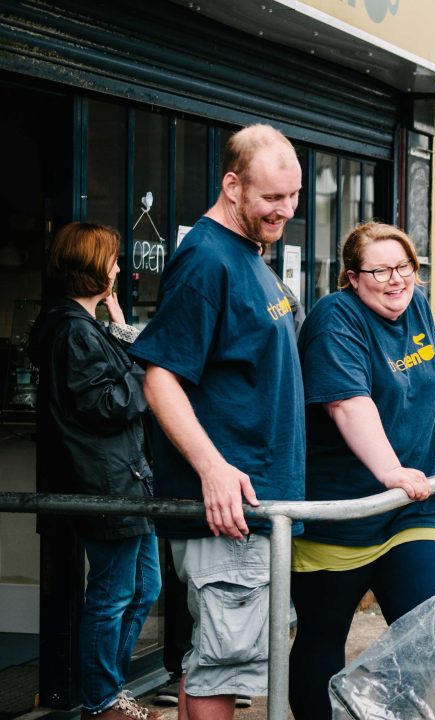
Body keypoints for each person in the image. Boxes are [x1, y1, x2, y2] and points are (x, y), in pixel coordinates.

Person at [129, 124, 306, 719]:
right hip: (230, 515)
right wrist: (213, 469)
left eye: (293, 196)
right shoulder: (207, 260)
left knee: (214, 667)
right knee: (221, 674)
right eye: (270, 199)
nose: (284, 211)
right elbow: (160, 376)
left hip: (259, 509)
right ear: (232, 185)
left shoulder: (249, 255)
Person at [288, 221, 435, 720]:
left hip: (409, 510)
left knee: (430, 635)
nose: (396, 280)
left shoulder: (416, 304)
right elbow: (347, 405)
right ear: (352, 277)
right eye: (380, 271)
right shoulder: (336, 320)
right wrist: (390, 470)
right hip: (345, 509)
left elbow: (433, 383)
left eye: (405, 268)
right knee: (323, 638)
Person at [28, 222, 162, 720]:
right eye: (111, 261)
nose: (119, 269)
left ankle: (110, 691)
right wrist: (146, 373)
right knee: (112, 594)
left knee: (144, 588)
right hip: (108, 483)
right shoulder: (72, 330)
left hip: (125, 481)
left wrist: (119, 326)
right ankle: (104, 701)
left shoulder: (82, 326)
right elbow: (105, 403)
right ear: (89, 268)